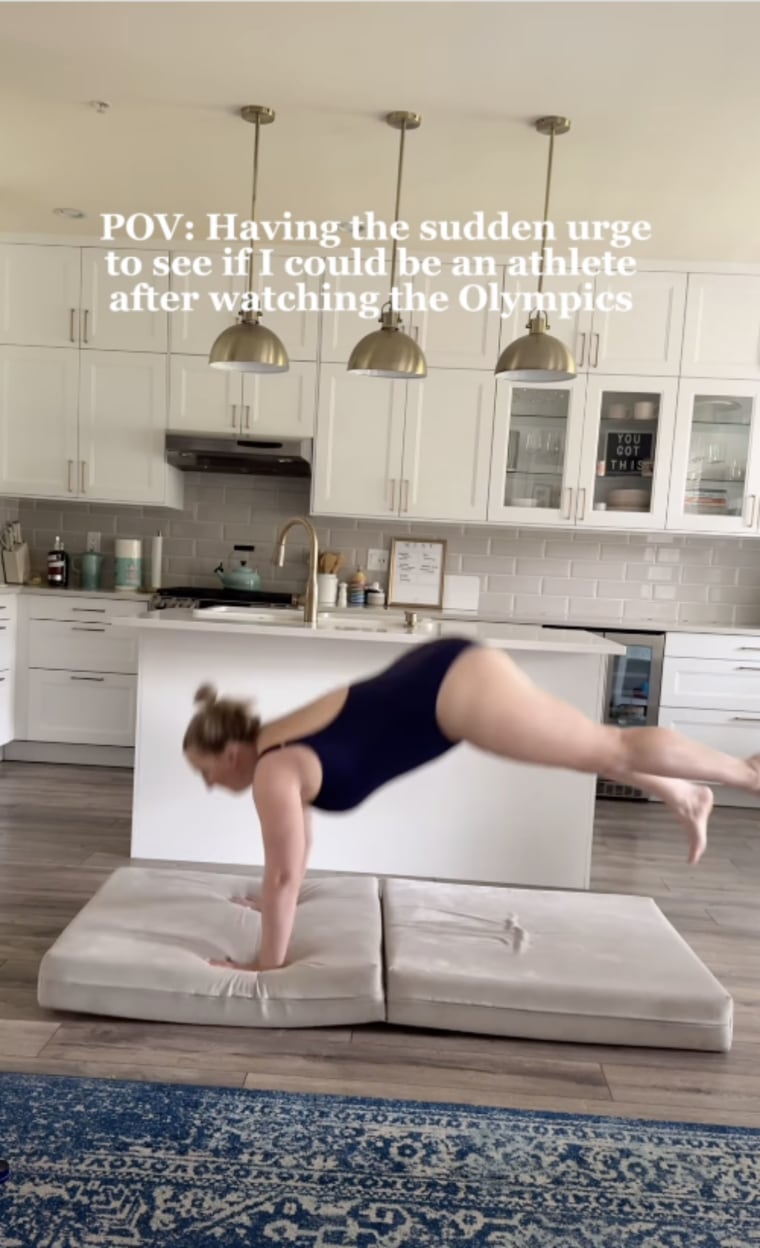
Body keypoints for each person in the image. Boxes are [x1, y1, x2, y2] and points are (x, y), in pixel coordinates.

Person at [183, 635, 760, 973]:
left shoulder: (271, 768)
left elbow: (285, 873)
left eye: (207, 774)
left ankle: (745, 773)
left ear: (231, 752)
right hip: (442, 677)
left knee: (606, 743)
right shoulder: (276, 753)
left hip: (450, 688)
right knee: (587, 752)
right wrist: (269, 906)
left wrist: (267, 966)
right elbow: (296, 856)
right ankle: (683, 790)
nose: (210, 786)